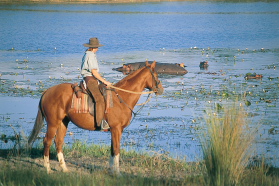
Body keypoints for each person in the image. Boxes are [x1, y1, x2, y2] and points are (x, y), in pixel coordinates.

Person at [81, 37, 111, 130]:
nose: (98, 49)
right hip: (90, 80)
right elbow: (94, 72)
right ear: (94, 47)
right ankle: (100, 123)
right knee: (99, 99)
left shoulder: (90, 54)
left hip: (92, 79)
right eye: (97, 47)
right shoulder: (90, 55)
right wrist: (105, 81)